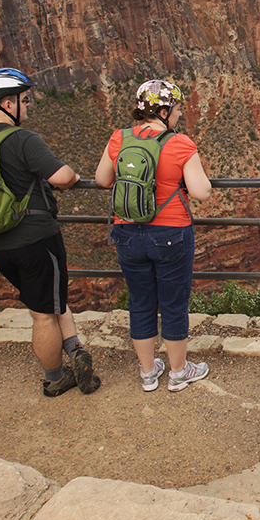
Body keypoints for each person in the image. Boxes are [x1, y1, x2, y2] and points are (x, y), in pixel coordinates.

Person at [0, 68, 100, 397]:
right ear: (7, 104)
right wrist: (71, 178)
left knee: (49, 299)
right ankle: (56, 378)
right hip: (35, 240)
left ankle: (75, 349)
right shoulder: (22, 139)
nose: (28, 106)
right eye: (24, 100)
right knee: (42, 315)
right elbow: (63, 176)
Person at [94, 80, 212, 392]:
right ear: (163, 111)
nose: (179, 115)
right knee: (173, 303)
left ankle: (148, 372)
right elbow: (201, 192)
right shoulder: (180, 143)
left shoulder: (119, 138)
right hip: (170, 233)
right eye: (176, 109)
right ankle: (178, 372)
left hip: (127, 233)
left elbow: (102, 179)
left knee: (140, 301)